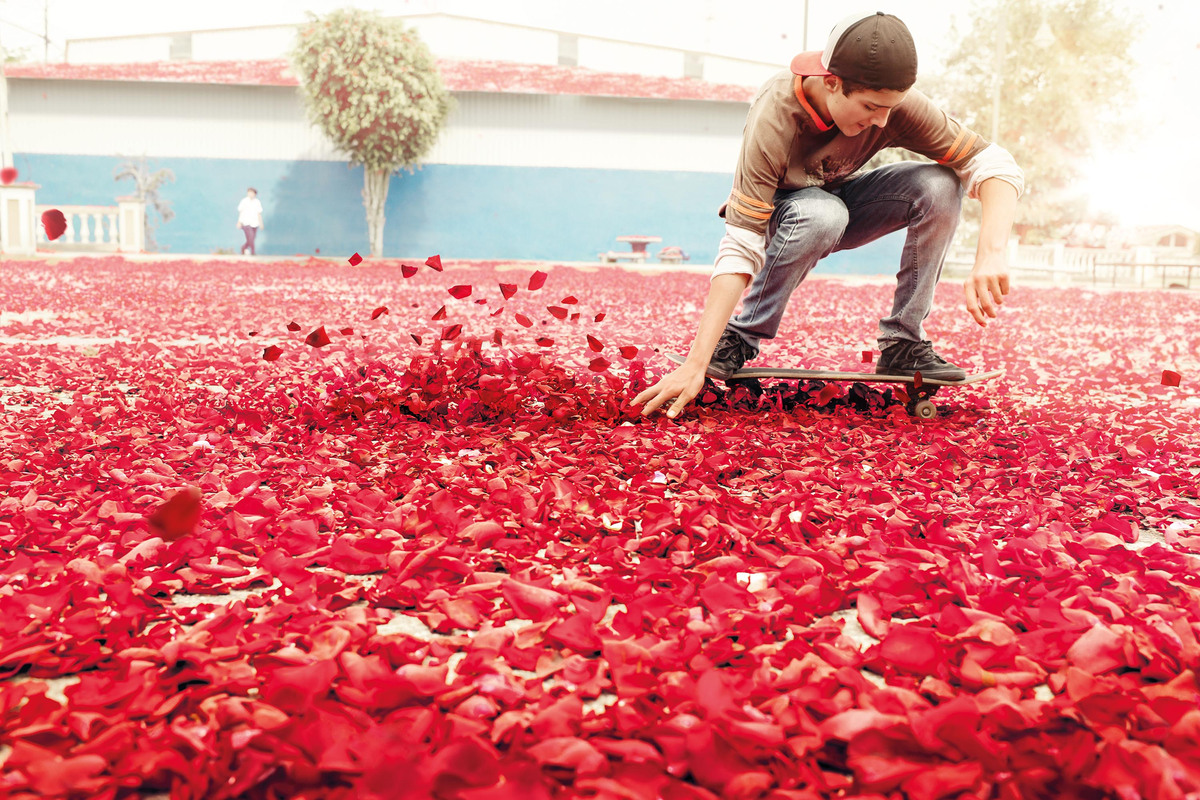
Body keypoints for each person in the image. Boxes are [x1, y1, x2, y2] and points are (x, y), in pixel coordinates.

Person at [633, 11, 1024, 419]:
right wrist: (697, 362)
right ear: (831, 82)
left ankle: (903, 345)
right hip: (784, 215)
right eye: (871, 107)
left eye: (890, 108)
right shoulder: (777, 110)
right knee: (822, 213)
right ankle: (739, 337)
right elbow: (741, 242)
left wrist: (992, 253)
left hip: (842, 203)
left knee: (942, 184)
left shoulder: (893, 105)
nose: (882, 121)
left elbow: (995, 163)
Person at [236, 188, 264, 255]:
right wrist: (239, 222)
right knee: (250, 237)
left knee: (252, 238)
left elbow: (259, 214)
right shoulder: (244, 201)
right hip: (246, 223)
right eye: (249, 192)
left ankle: (243, 247)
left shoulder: (257, 202)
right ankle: (253, 252)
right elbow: (241, 212)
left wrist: (261, 223)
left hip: (255, 223)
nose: (250, 194)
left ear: (255, 194)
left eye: (252, 193)